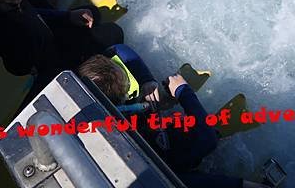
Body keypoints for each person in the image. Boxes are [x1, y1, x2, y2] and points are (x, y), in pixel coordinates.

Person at [77, 50, 269, 188]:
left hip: (136, 148)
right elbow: (207, 142)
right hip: (165, 167)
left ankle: (169, 104)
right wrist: (184, 92)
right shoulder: (133, 132)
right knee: (201, 148)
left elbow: (119, 49)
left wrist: (146, 81)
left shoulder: (82, 106)